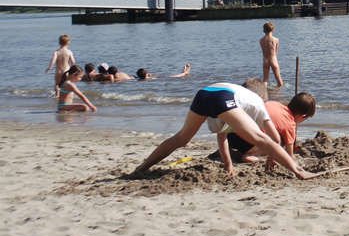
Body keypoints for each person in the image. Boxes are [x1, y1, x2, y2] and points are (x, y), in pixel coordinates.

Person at [132, 79, 313, 179]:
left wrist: (228, 164)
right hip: (223, 96)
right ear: (260, 96)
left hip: (204, 92)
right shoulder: (259, 102)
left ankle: (142, 167)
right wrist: (273, 160)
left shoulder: (242, 98)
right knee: (261, 138)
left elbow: (222, 135)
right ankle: (298, 171)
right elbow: (274, 138)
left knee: (181, 138)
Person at [225, 92, 316, 161]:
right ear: (302, 116)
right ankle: (251, 155)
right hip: (245, 144)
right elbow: (289, 154)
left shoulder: (274, 103)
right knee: (280, 143)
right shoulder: (290, 124)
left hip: (231, 134)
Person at [260, 23, 282, 88]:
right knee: (278, 77)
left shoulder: (261, 40)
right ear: (273, 30)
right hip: (273, 59)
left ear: (264, 30)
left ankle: (264, 92)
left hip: (265, 60)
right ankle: (280, 92)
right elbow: (276, 52)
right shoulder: (276, 40)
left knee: (265, 79)